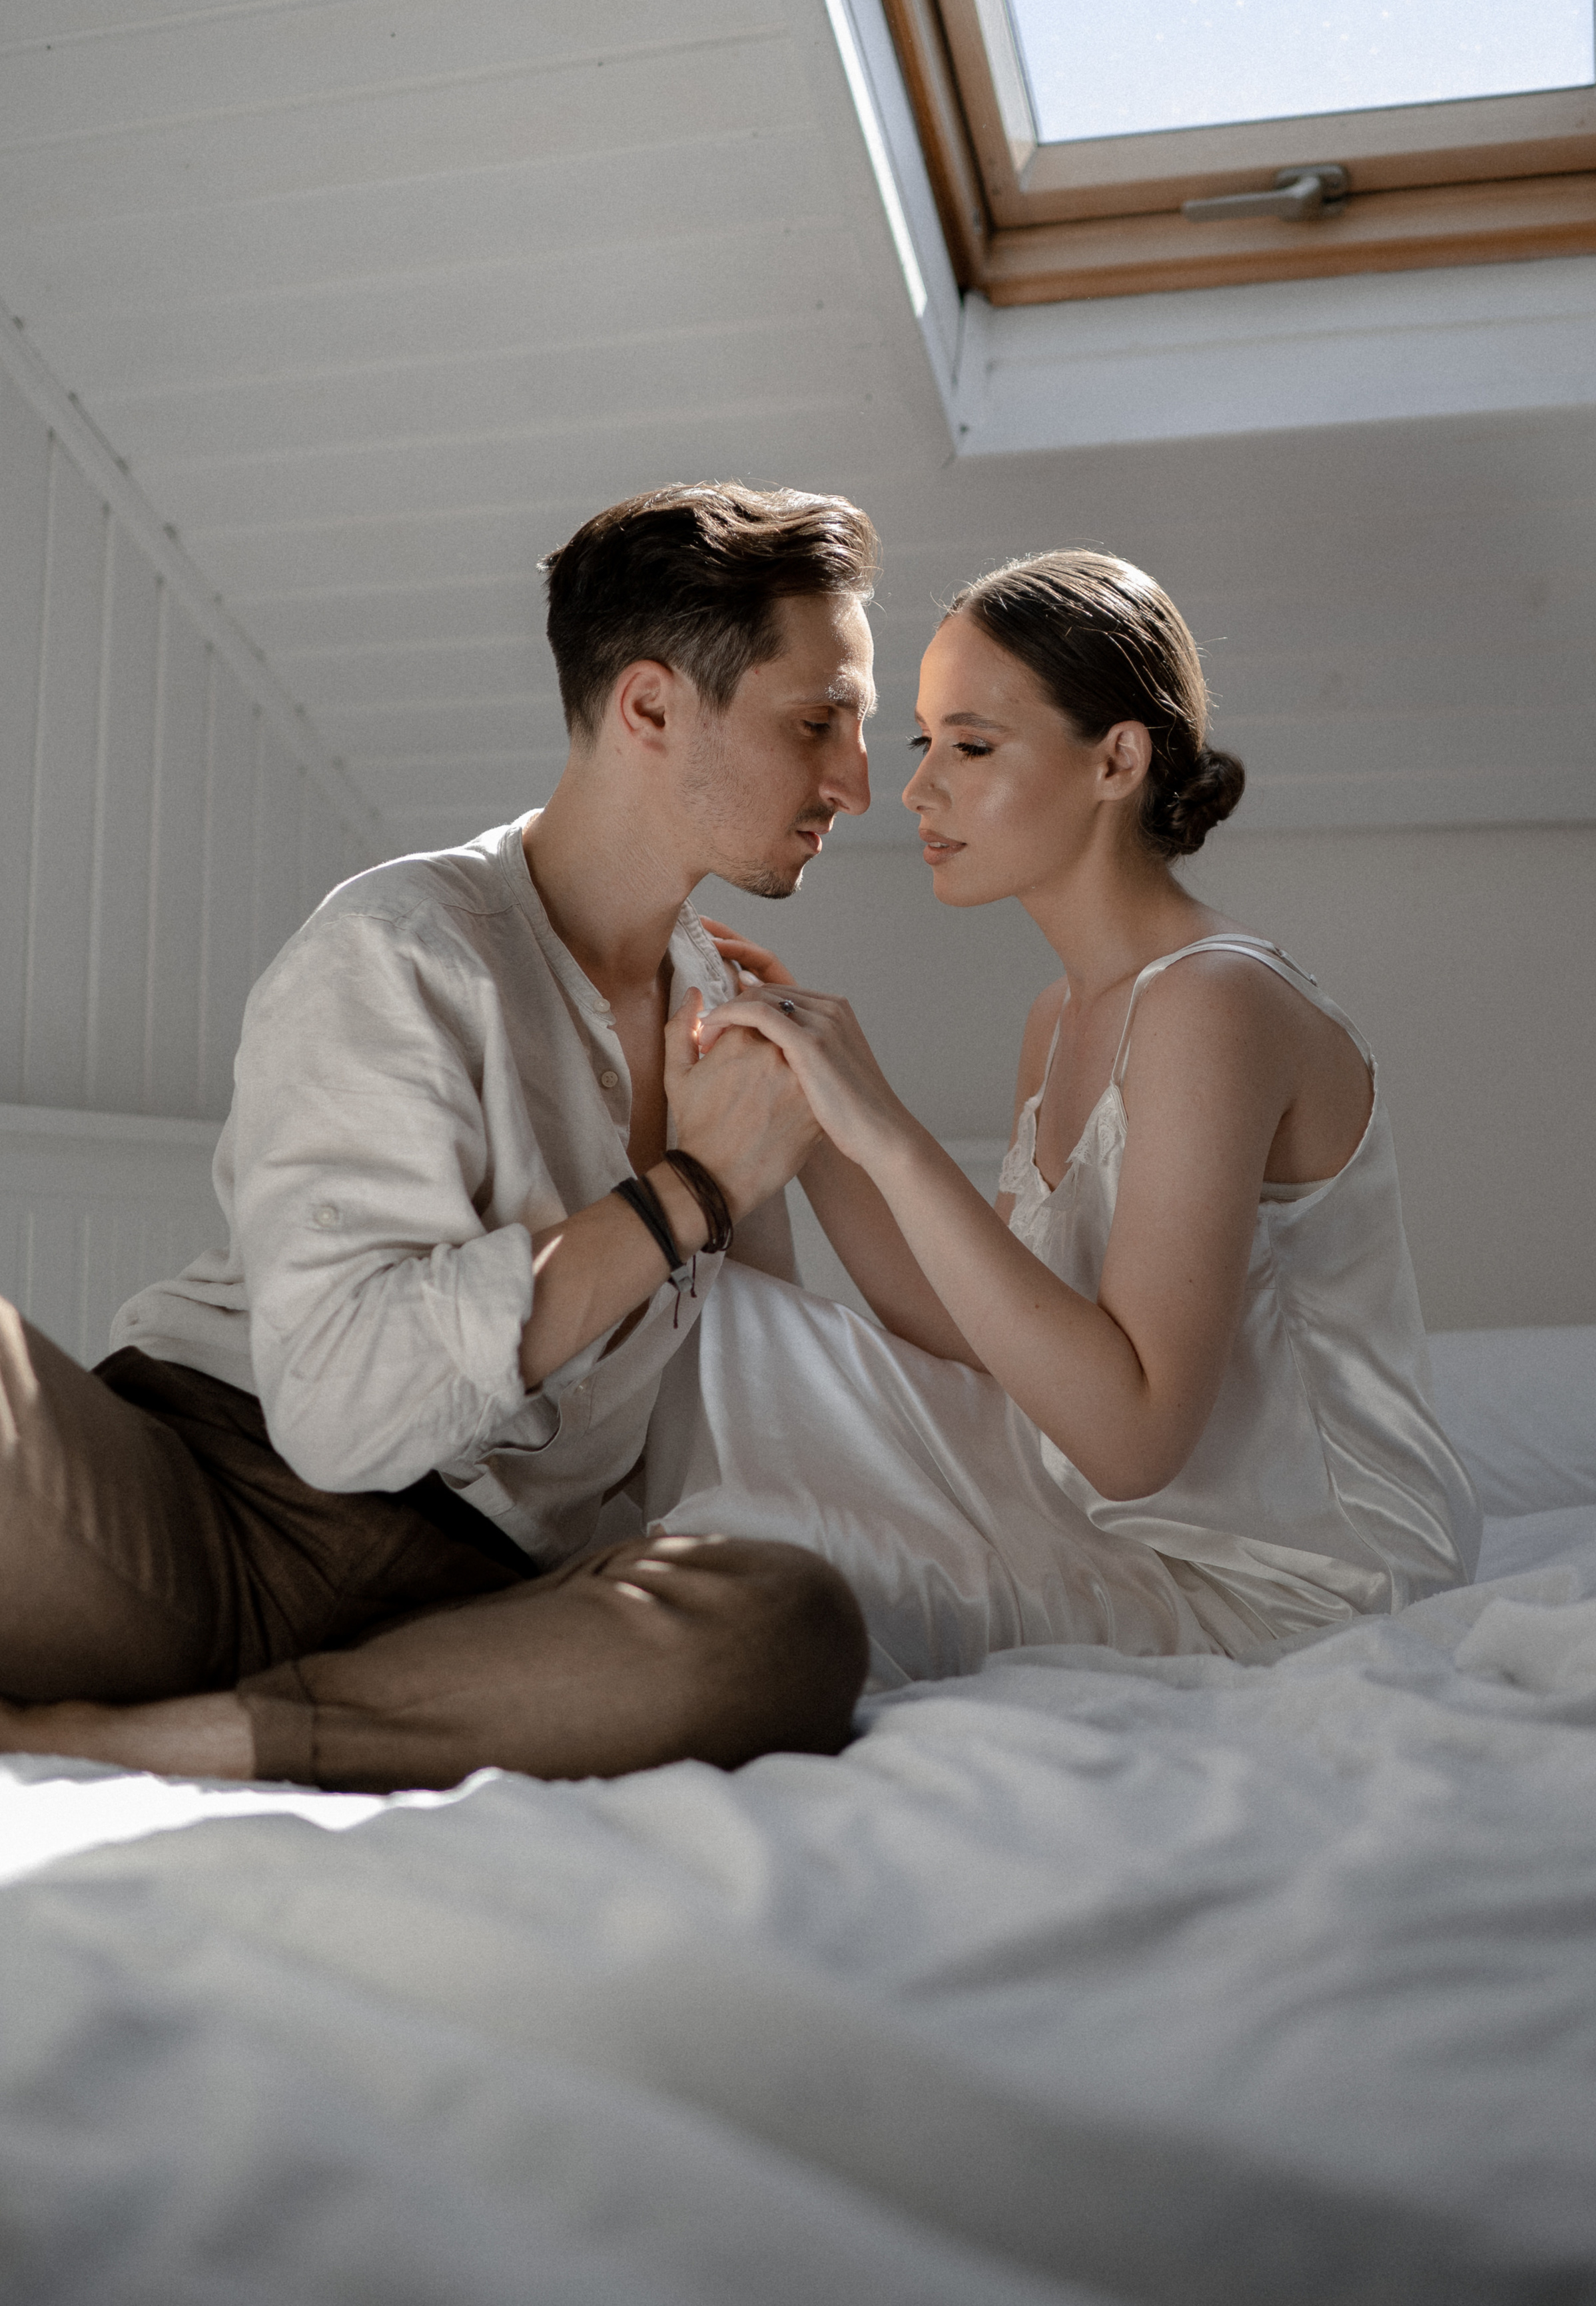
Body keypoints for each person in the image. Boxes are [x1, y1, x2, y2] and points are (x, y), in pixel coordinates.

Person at [0, 482, 879, 1790]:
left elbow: (737, 1434)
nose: (856, 783)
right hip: (197, 1506)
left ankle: (129, 1740)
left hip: (476, 1609)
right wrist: (687, 1190)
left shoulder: (729, 1031)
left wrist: (808, 1133)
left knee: (794, 1620)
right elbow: (345, 1419)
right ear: (648, 706)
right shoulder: (402, 948)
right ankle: (248, 1713)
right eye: (818, 722)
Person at [645, 549, 1481, 1685]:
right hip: (1118, 1526)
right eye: (923, 744)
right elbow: (977, 1333)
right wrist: (814, 1103)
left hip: (1294, 1584)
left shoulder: (1214, 1002)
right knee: (727, 1326)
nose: (919, 790)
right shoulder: (1064, 1015)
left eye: (973, 747)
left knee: (768, 1492)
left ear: (1118, 760)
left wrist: (879, 1121)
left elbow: (1135, 1438)